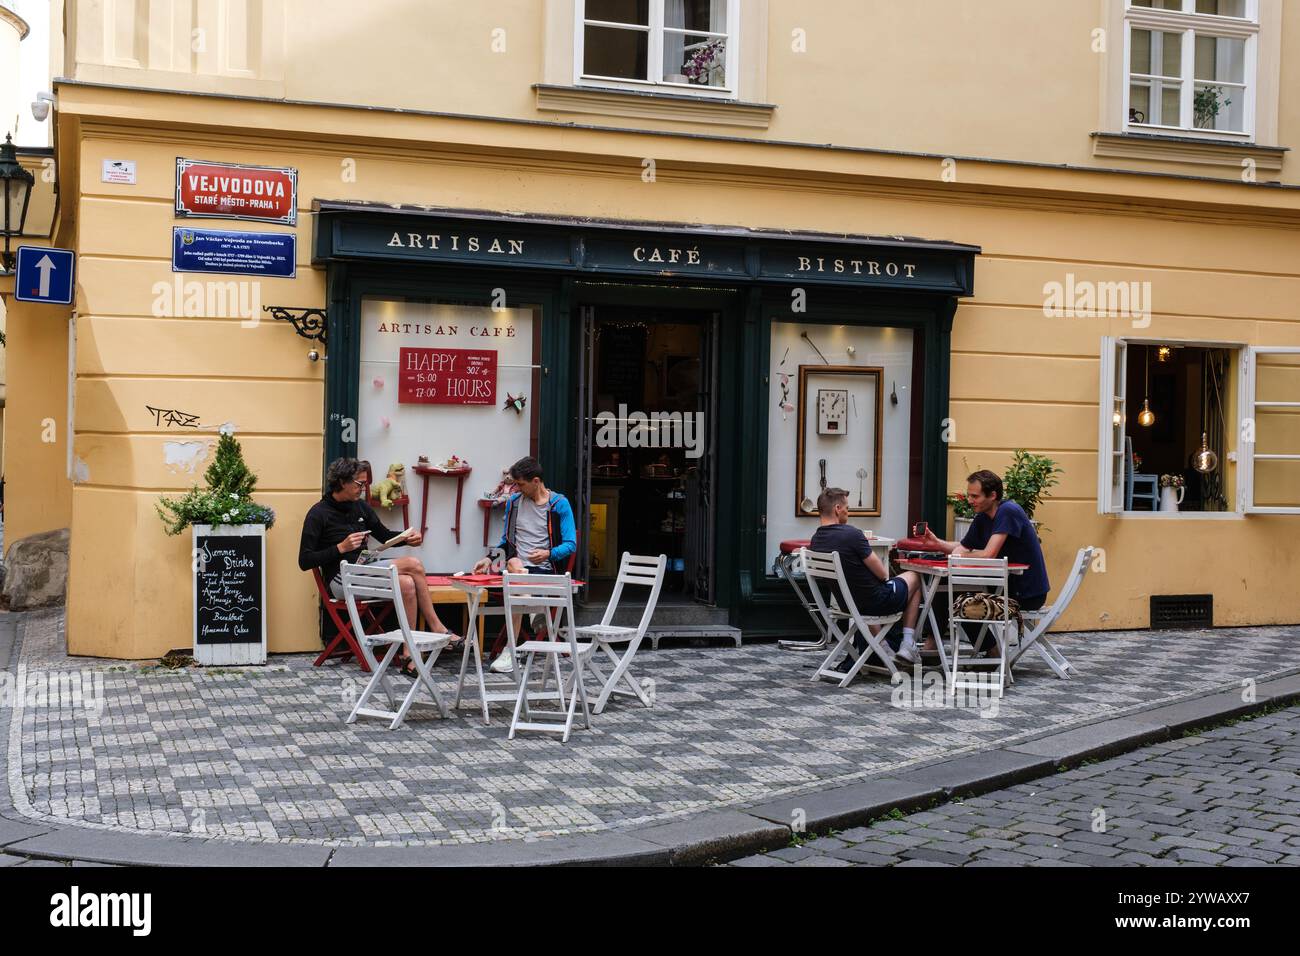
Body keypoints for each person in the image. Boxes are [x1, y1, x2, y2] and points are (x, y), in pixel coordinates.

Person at [299, 457, 461, 672]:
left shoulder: (361, 508)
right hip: (341, 580)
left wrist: (407, 537)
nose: (363, 488)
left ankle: (408, 651)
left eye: (365, 484)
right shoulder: (318, 514)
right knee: (413, 564)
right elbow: (305, 560)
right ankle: (439, 629)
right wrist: (340, 548)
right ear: (341, 482)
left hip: (365, 569)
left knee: (406, 584)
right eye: (358, 484)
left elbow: (384, 536)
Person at [920, 468, 1050, 653]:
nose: (970, 500)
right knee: (949, 587)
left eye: (975, 496)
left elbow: (988, 554)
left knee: (960, 598)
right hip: (1002, 586)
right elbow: (963, 547)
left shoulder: (1008, 511)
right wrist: (936, 543)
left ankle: (988, 651)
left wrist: (958, 557)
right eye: (969, 495)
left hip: (1025, 593)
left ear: (992, 495)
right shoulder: (983, 517)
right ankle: (934, 646)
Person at [473, 455, 577, 673]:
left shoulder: (559, 504)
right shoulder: (514, 503)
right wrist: (488, 558)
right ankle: (532, 609)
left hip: (546, 572)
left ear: (536, 481)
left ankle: (511, 651)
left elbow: (570, 544)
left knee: (514, 577)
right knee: (513, 563)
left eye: (520, 484)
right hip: (518, 570)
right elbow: (507, 541)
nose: (516, 489)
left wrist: (548, 554)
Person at [809, 487, 921, 666]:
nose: (849, 512)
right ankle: (908, 643)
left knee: (863, 591)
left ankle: (883, 646)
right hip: (874, 604)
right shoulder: (852, 534)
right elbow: (883, 573)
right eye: (847, 507)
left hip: (847, 605)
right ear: (837, 508)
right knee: (915, 577)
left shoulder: (816, 540)